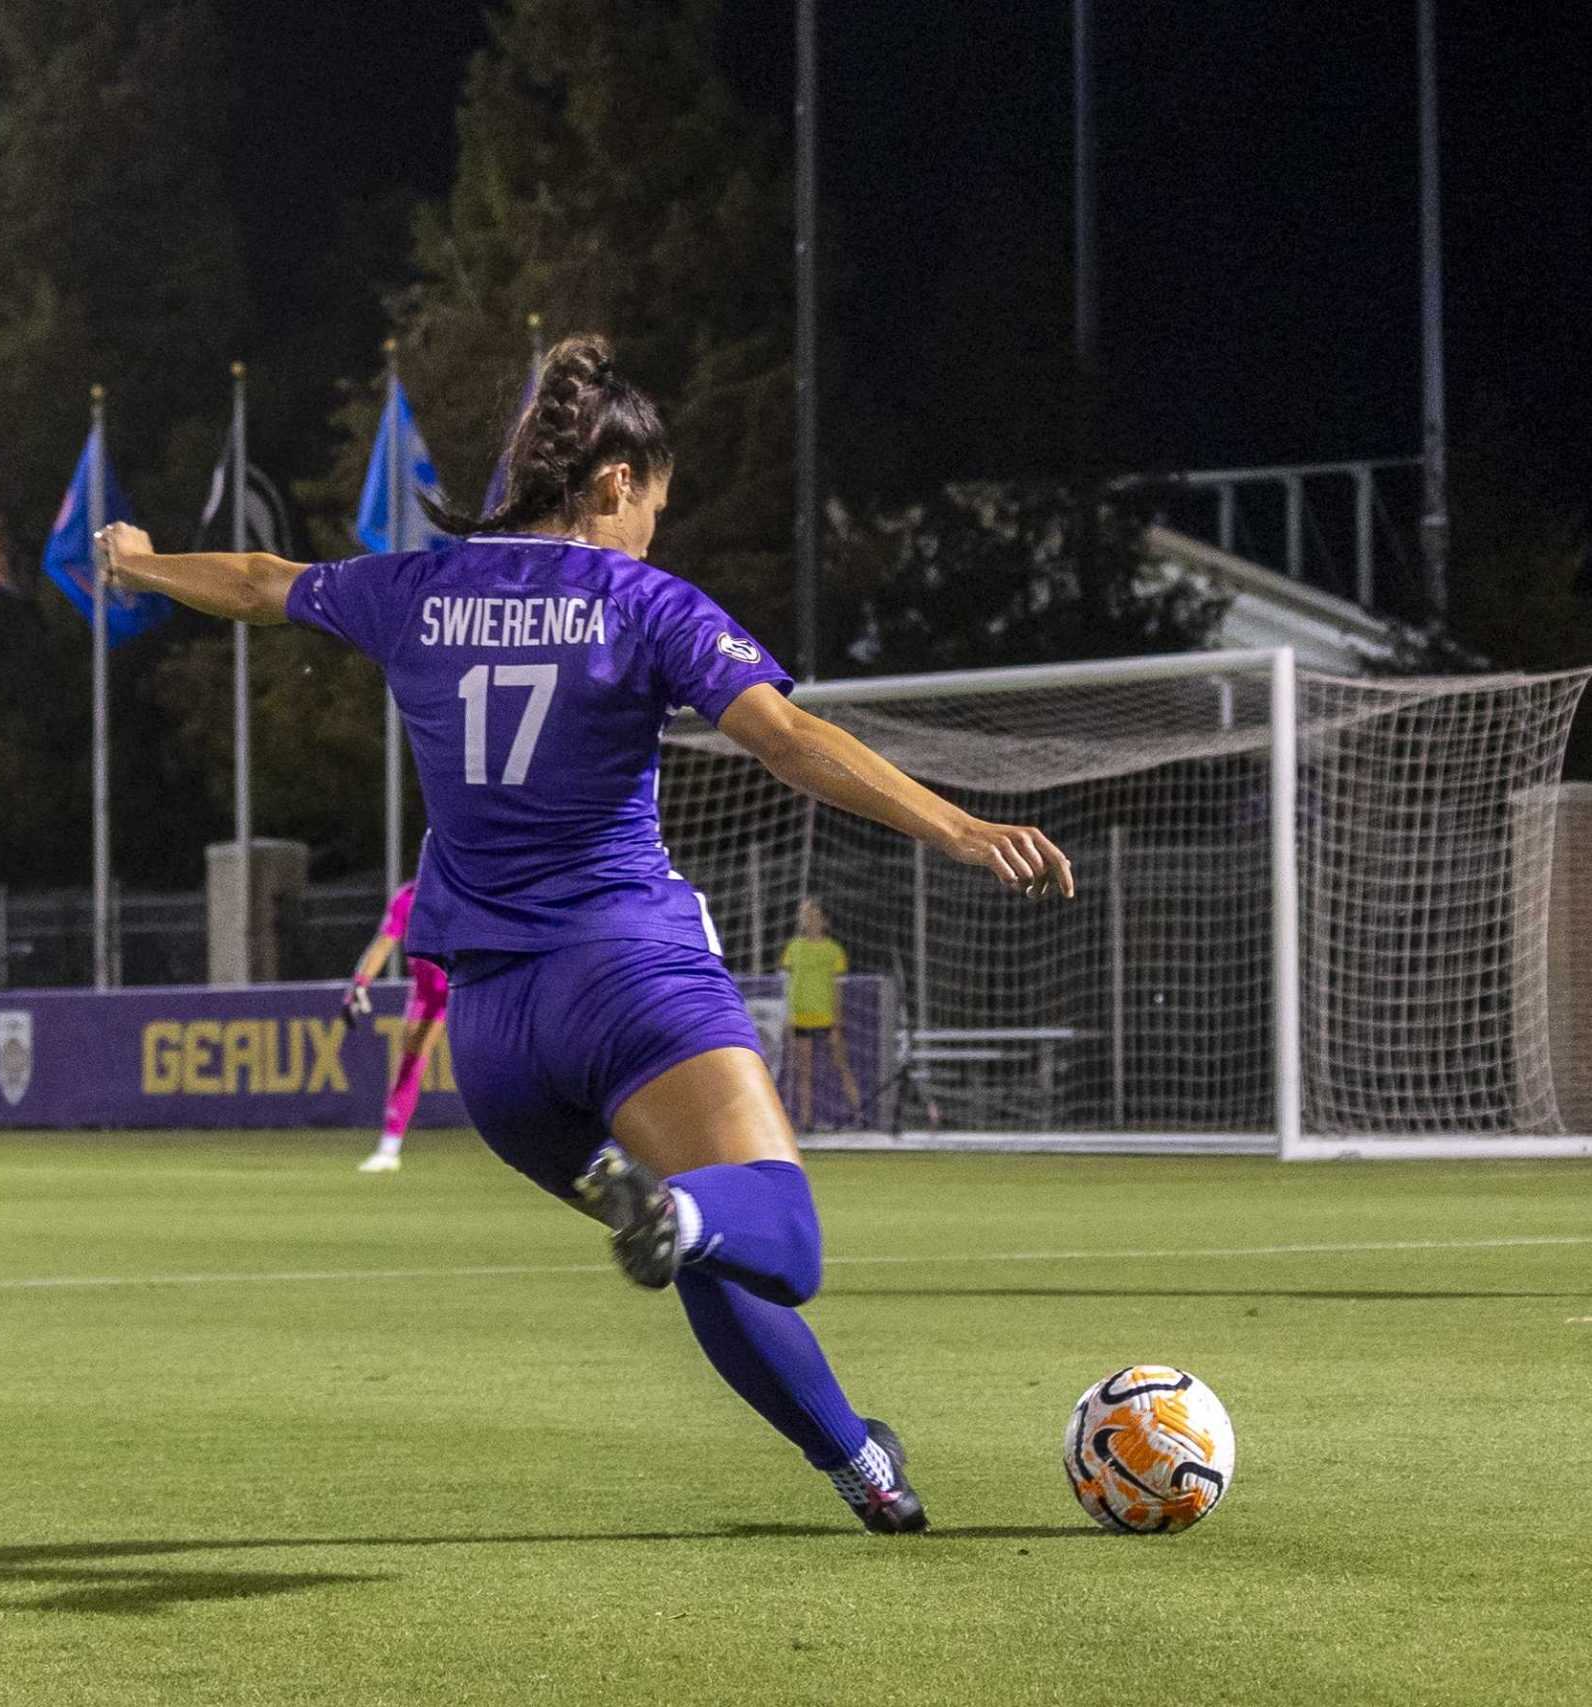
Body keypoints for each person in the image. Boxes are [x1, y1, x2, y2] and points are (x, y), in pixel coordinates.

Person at [95, 333, 1072, 1532]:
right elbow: (784, 740)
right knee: (772, 1230)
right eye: (653, 505)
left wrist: (139, 568)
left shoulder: (414, 587)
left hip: (495, 1045)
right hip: (625, 980)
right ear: (614, 485)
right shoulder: (639, 600)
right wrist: (958, 828)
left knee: (697, 1249)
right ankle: (684, 1219)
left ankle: (860, 1463)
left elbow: (254, 578)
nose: (653, 530)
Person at [339, 879, 448, 1173]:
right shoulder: (408, 897)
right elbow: (384, 942)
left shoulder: (464, 889)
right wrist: (360, 984)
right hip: (428, 993)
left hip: (470, 985)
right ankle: (389, 1150)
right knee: (409, 1063)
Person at [780, 898, 863, 1132]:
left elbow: (838, 989)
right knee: (803, 1072)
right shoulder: (794, 947)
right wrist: (789, 1015)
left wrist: (838, 1019)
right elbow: (789, 985)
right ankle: (806, 1122)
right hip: (801, 1017)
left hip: (826, 1017)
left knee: (840, 1064)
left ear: (824, 920)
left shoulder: (834, 950)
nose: (809, 920)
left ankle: (860, 1114)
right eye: (805, 916)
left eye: (814, 915)